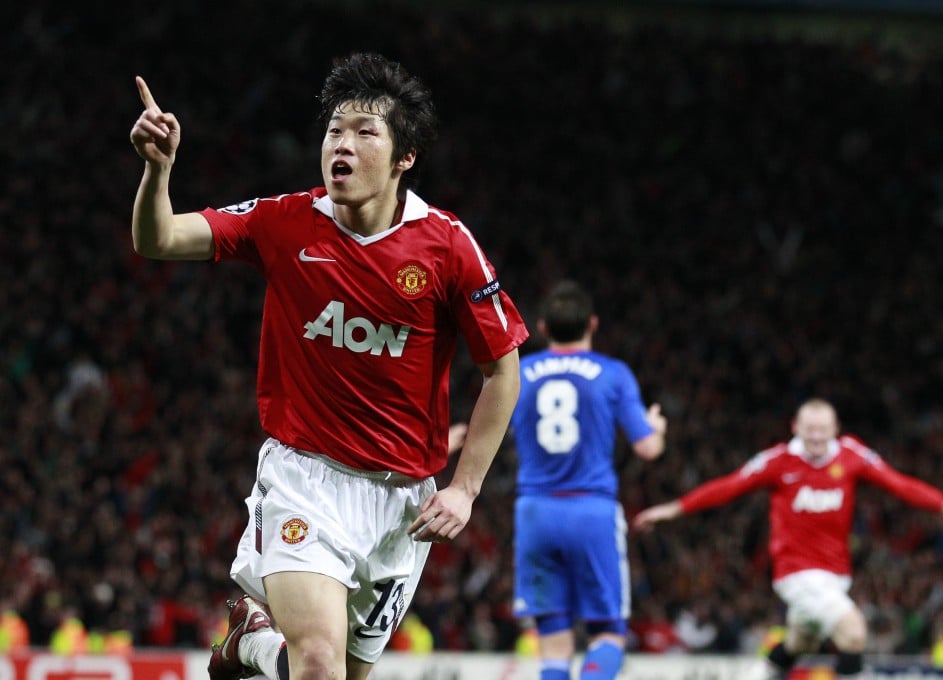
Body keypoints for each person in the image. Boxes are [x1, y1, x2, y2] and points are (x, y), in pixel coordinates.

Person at [129, 52, 529, 680]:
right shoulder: (285, 221)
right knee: (318, 662)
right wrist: (158, 173)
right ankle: (260, 643)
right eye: (334, 131)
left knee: (335, 673)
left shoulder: (448, 246)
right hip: (305, 480)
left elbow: (503, 370)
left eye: (365, 132)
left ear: (405, 158)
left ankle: (250, 643)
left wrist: (465, 487)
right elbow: (159, 240)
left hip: (403, 508)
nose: (342, 144)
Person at [632, 398, 943, 680]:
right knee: (853, 633)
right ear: (796, 427)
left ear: (835, 428)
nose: (817, 437)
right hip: (796, 572)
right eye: (809, 429)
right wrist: (674, 509)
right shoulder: (779, 461)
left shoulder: (852, 455)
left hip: (836, 573)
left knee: (800, 643)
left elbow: (900, 484)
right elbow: (728, 486)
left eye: (823, 430)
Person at [510, 280, 667, 680]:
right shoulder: (612, 373)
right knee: (609, 633)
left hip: (535, 512)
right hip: (591, 510)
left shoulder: (520, 373)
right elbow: (647, 448)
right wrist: (656, 428)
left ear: (542, 328)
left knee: (553, 639)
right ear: (592, 324)